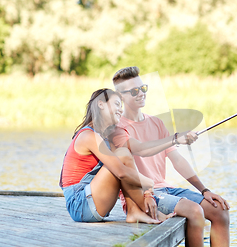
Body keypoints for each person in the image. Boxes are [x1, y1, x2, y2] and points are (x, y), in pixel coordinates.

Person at [110, 67, 230, 247]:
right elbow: (141, 149)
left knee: (220, 211)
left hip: (166, 189)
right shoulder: (118, 128)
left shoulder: (156, 122)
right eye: (134, 91)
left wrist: (204, 190)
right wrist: (175, 137)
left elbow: (176, 159)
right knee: (195, 211)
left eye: (143, 88)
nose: (141, 94)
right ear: (120, 96)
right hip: (142, 194)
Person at [59, 88, 168, 224]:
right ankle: (151, 212)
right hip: (80, 204)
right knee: (122, 156)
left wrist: (146, 193)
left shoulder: (103, 138)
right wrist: (148, 184)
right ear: (101, 104)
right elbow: (121, 172)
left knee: (123, 154)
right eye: (117, 104)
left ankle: (134, 211)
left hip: (90, 200)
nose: (121, 110)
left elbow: (125, 174)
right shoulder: (88, 135)